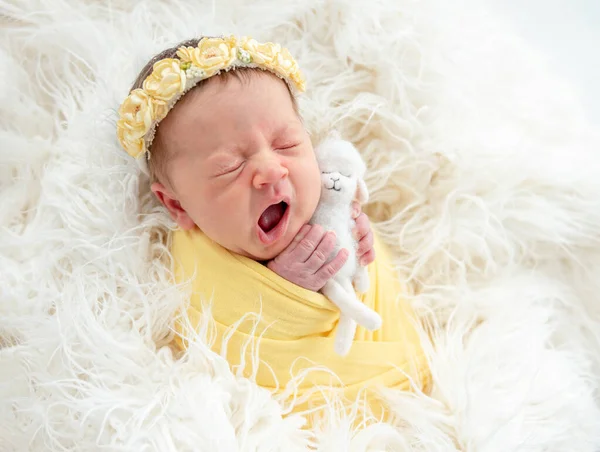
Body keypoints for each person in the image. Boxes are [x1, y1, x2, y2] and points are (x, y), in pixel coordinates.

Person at [117, 35, 430, 422]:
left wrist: (358, 243)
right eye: (229, 166)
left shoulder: (329, 196)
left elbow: (373, 274)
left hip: (403, 378)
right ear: (178, 205)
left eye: (286, 144)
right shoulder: (192, 262)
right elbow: (212, 338)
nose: (270, 170)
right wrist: (283, 289)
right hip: (308, 412)